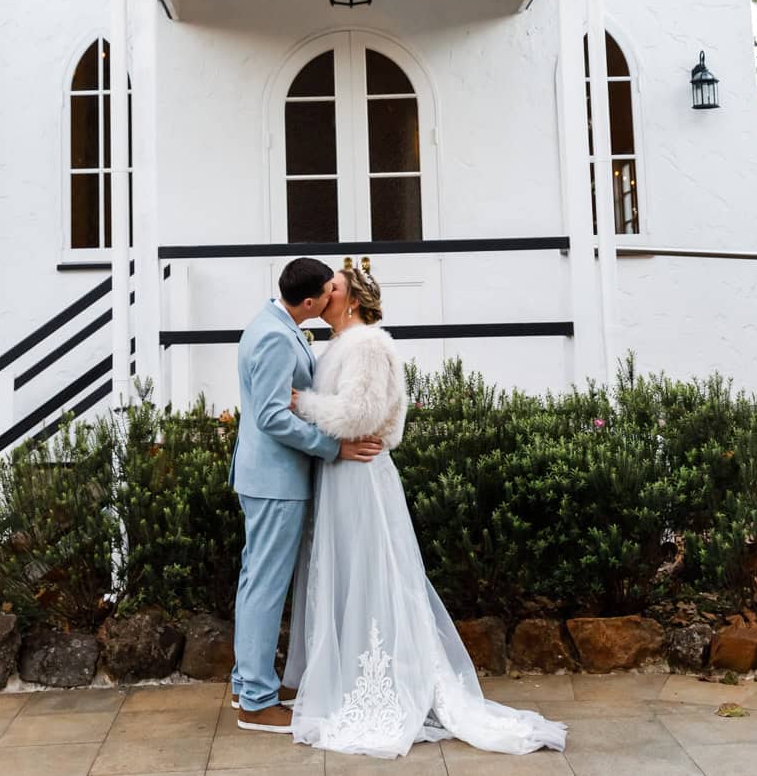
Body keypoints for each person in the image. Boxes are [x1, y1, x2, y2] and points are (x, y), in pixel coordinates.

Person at [283, 262, 567, 759]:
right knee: (349, 573)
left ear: (350, 299)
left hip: (361, 477)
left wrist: (301, 404)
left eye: (334, 287)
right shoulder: (338, 347)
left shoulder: (369, 344)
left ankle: (388, 682)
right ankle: (348, 676)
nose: (325, 292)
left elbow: (362, 415)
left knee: (374, 573)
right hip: (341, 473)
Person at [230, 257, 383, 734]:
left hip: (264, 479)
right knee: (267, 584)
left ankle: (245, 682)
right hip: (276, 481)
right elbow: (273, 417)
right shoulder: (276, 336)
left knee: (256, 578)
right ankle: (255, 700)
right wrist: (332, 448)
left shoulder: (270, 322)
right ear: (312, 300)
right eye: (327, 294)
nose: (330, 301)